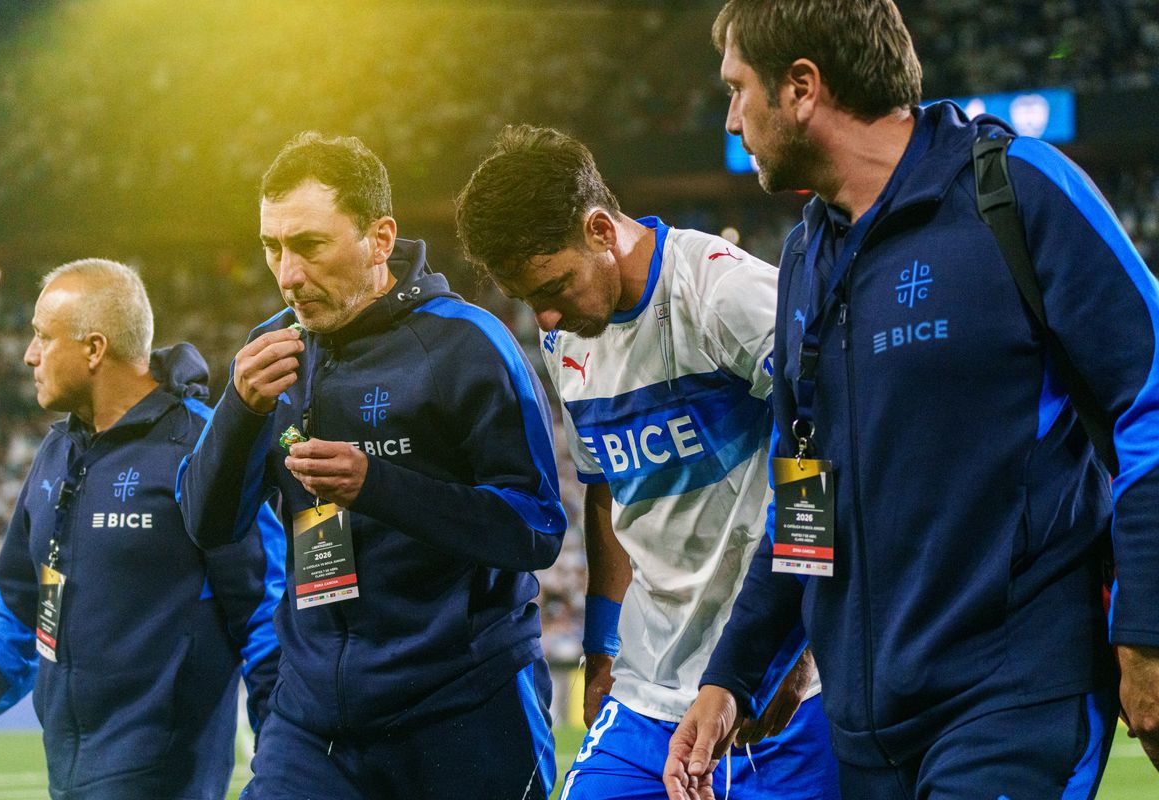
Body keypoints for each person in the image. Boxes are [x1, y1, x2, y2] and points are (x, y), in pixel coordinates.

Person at [665, 2, 1159, 798]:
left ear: (802, 88)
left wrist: (1146, 632)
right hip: (867, 739)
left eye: (736, 89)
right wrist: (734, 676)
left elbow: (1151, 405)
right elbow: (805, 494)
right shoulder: (804, 259)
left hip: (1016, 702)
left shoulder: (1016, 191)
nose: (729, 120)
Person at [177, 131, 566, 800]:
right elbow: (208, 525)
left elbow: (536, 530)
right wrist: (239, 411)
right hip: (315, 723)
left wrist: (377, 486)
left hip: (463, 709)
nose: (287, 275)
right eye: (272, 247)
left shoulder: (468, 344)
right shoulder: (268, 352)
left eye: (309, 245)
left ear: (380, 239)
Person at [455, 124, 838, 800]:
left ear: (600, 229)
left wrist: (798, 643)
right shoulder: (566, 342)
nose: (545, 318)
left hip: (776, 688)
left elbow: (829, 448)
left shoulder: (723, 292)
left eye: (555, 286)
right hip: (646, 693)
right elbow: (607, 491)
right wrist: (601, 644)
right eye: (528, 300)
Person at [0, 259, 283, 800]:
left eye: (43, 337)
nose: (30, 355)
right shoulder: (56, 452)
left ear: (94, 349)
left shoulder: (204, 446)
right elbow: (18, 616)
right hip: (67, 782)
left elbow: (265, 620)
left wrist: (282, 775)